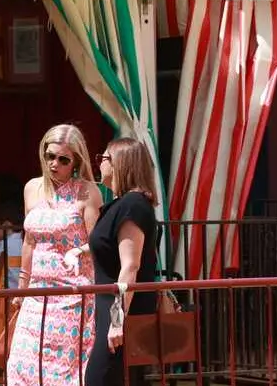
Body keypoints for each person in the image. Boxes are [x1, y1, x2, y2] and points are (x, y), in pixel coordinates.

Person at [6, 124, 101, 386]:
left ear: (76, 162)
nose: (54, 164)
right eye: (49, 156)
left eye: (63, 159)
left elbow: (98, 243)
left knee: (63, 372)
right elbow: (29, 241)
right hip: (36, 294)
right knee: (22, 364)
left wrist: (78, 251)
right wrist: (21, 287)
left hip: (73, 295)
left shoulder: (87, 192)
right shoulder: (32, 188)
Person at [83, 137, 160, 386]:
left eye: (103, 158)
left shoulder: (132, 205)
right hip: (111, 309)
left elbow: (130, 265)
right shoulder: (121, 204)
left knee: (100, 379)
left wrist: (117, 321)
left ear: (119, 164)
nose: (99, 164)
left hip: (122, 313)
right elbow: (111, 247)